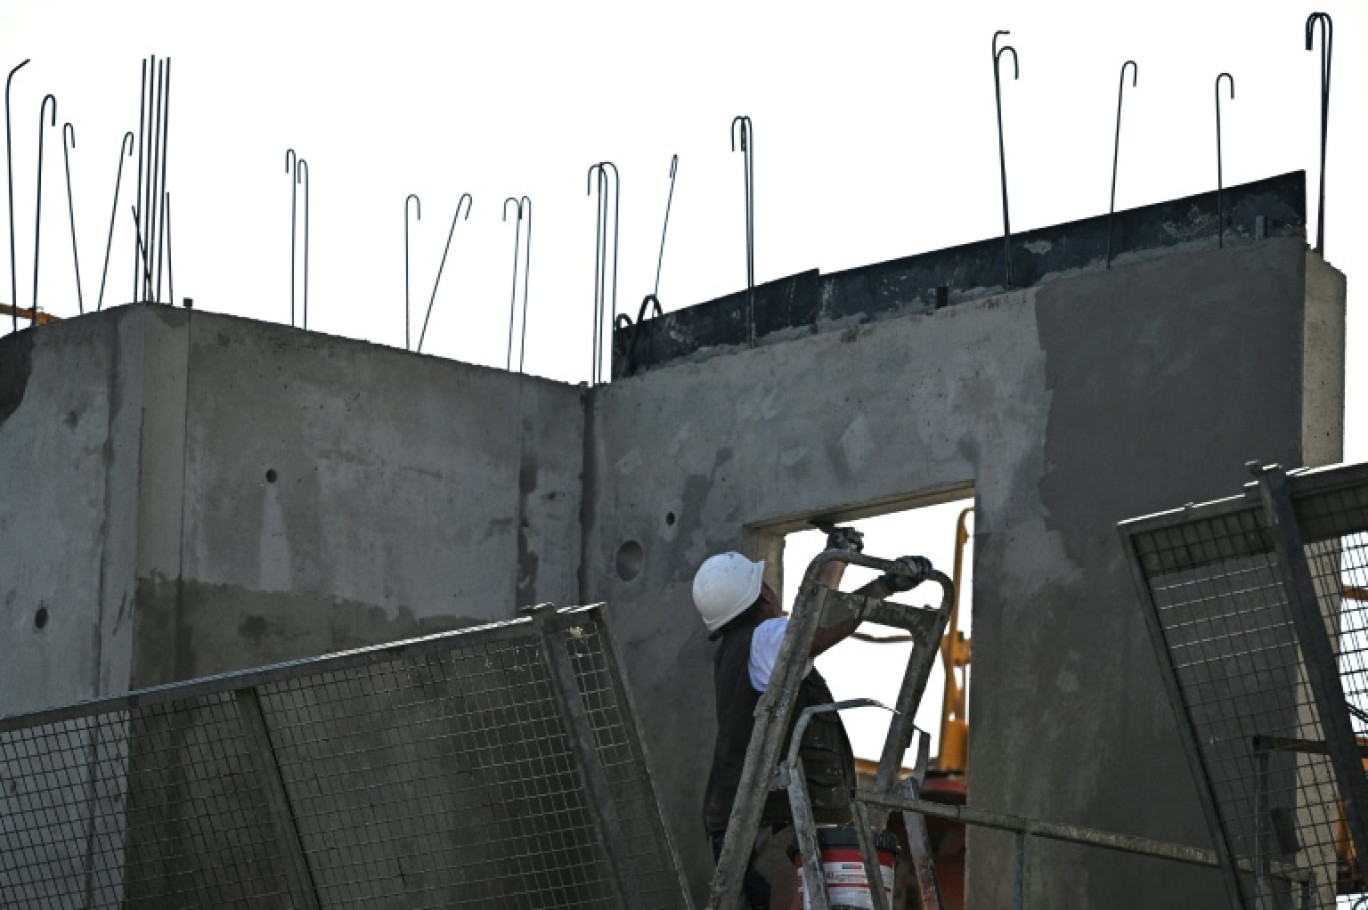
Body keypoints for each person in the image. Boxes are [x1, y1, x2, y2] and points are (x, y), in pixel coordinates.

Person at [693, 530, 931, 909]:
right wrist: (881, 585)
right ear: (765, 595)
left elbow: (815, 615)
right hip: (769, 821)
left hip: (746, 818)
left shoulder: (743, 649)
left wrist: (839, 559)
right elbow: (817, 627)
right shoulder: (766, 638)